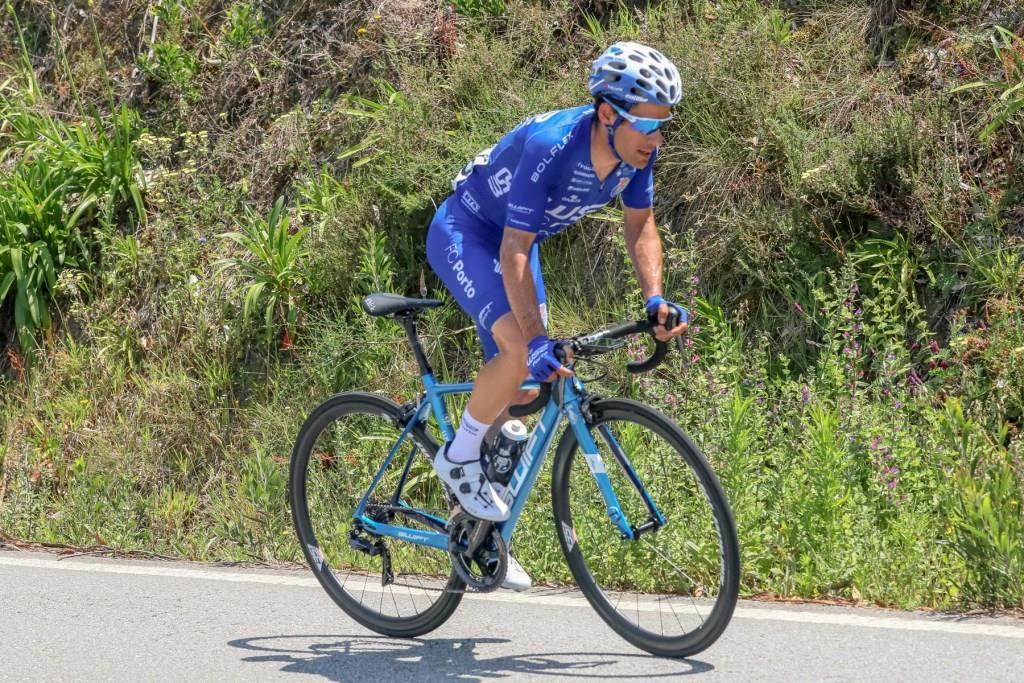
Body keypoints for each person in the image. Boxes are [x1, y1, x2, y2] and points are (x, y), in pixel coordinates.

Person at [425, 42, 689, 589]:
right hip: (470, 233)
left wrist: (655, 299)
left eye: (665, 124)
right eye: (648, 124)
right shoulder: (551, 147)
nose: (658, 138)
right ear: (609, 113)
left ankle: (480, 537)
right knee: (522, 350)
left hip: (519, 246)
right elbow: (512, 249)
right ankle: (458, 454)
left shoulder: (637, 154)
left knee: (524, 391)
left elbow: (640, 225)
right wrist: (538, 337)